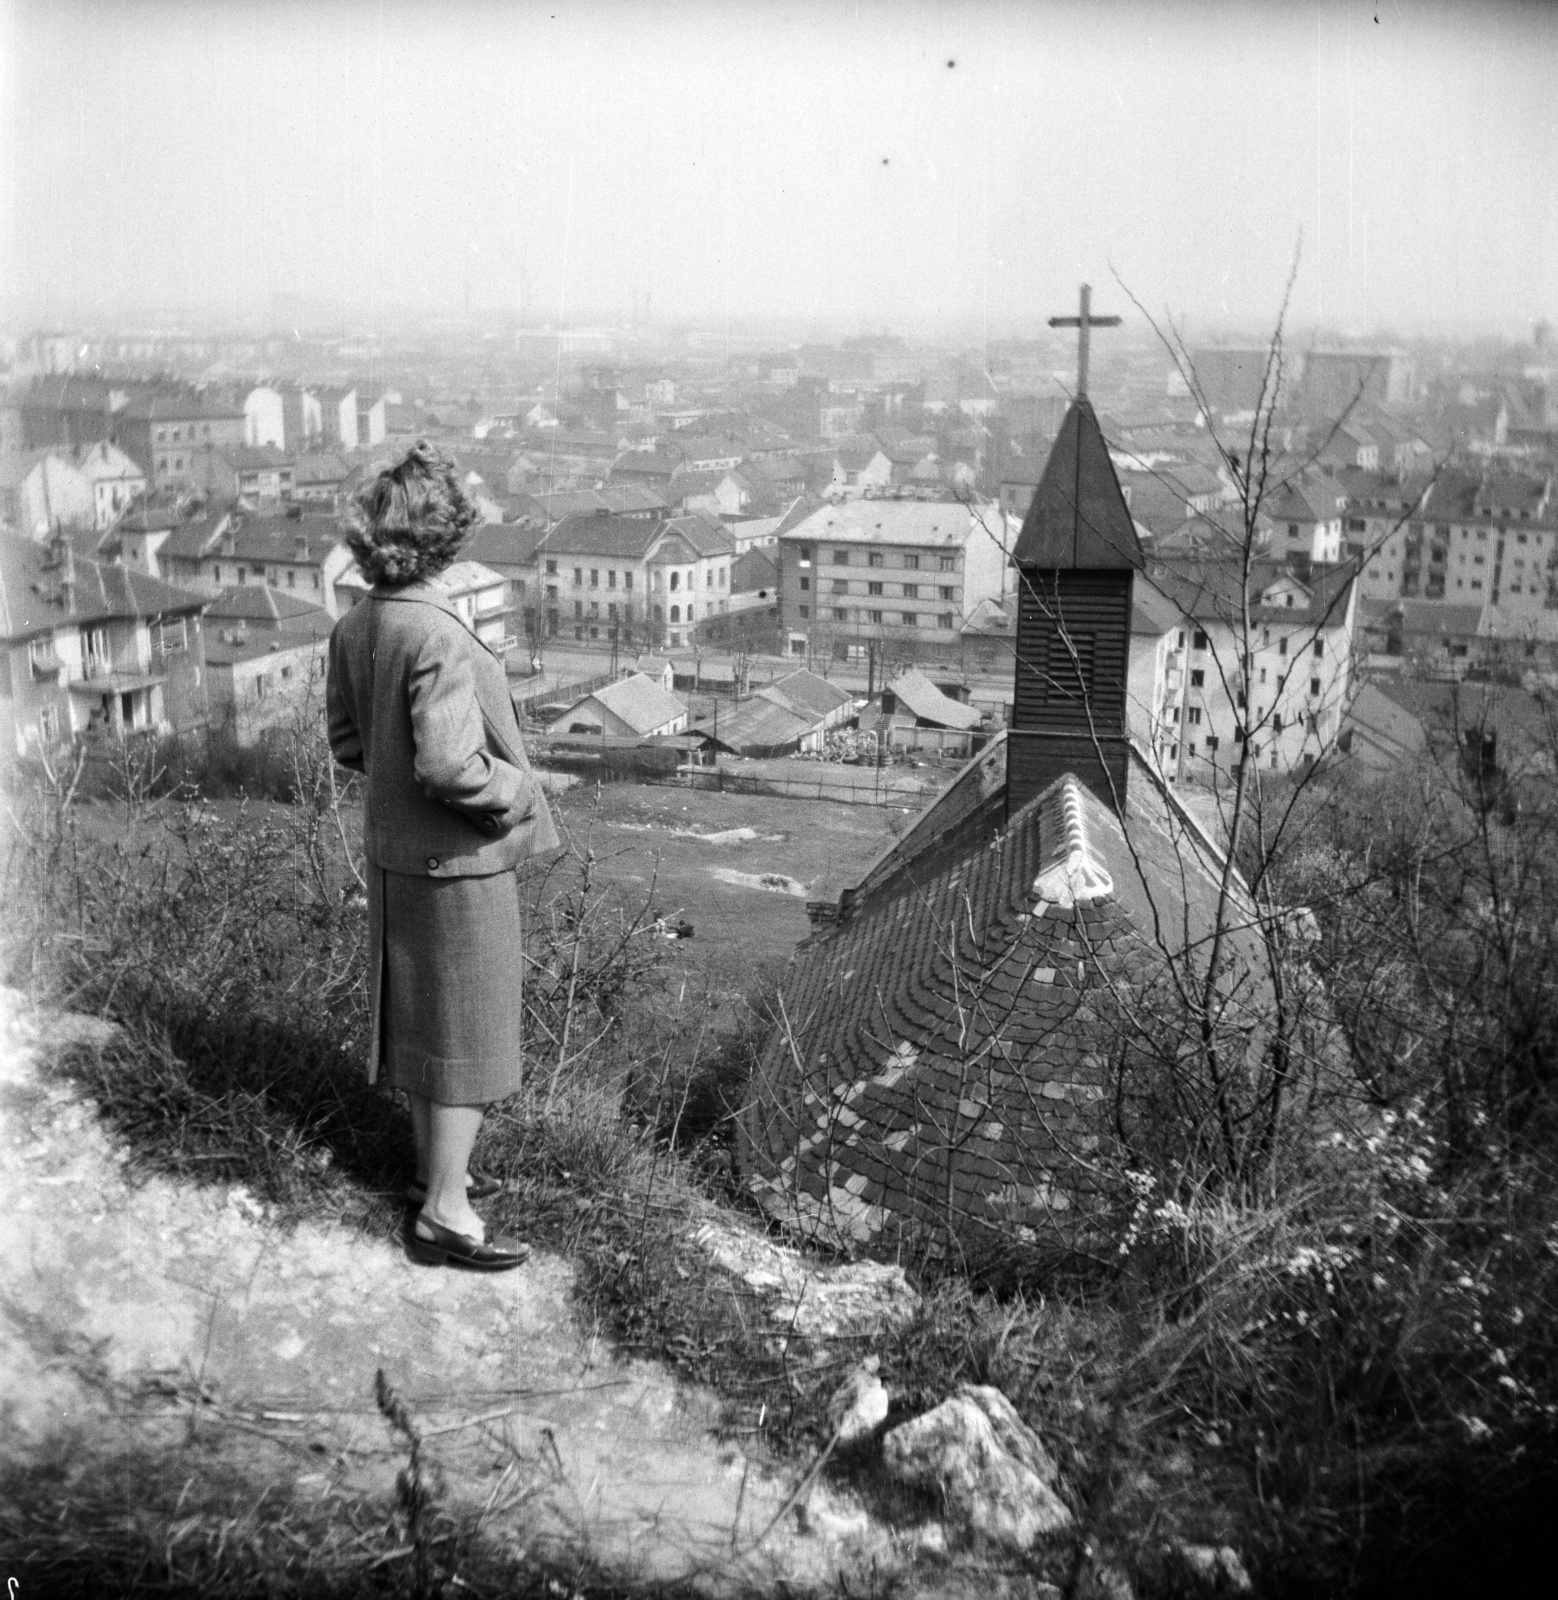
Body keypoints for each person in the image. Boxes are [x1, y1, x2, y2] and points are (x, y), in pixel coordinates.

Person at [327, 441, 559, 1270]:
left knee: (428, 1028)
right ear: (446, 537)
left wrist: (400, 773)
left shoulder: (358, 624)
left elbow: (350, 744)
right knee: (470, 1038)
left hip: (396, 860)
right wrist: (519, 792)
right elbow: (449, 764)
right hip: (460, 867)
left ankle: (436, 1176)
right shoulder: (438, 634)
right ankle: (446, 1214)